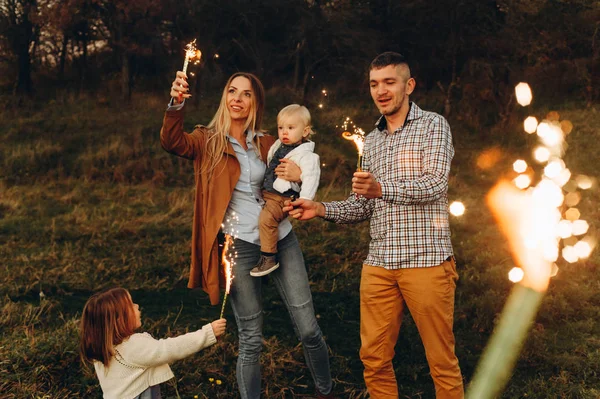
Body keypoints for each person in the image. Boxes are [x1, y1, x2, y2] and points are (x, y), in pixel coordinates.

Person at [285, 52, 464, 399]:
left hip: (426, 261)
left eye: (389, 82)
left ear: (408, 85)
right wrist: (320, 208)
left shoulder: (433, 125)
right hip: (379, 264)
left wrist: (383, 189)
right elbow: (361, 206)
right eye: (374, 84)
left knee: (440, 360)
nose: (381, 91)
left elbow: (435, 184)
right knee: (374, 358)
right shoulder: (372, 140)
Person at [160, 71, 333, 399]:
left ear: (256, 102)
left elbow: (304, 165)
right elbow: (172, 141)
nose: (237, 98)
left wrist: (298, 175)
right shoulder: (206, 140)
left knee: (309, 328)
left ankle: (326, 391)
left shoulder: (269, 142)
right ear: (225, 97)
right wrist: (177, 103)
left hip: (281, 239)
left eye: (246, 94)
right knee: (251, 337)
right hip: (238, 246)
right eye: (232, 91)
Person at [79, 287, 226, 399]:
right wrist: (208, 333)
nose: (137, 306)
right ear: (119, 320)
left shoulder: (103, 348)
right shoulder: (133, 346)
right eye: (131, 305)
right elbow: (170, 349)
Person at [250, 104, 320, 277]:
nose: (284, 132)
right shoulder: (277, 145)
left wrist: (304, 201)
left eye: (290, 128)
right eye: (281, 128)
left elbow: (311, 178)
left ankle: (269, 257)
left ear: (305, 131)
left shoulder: (307, 156)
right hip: (269, 194)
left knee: (267, 219)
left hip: (283, 198)